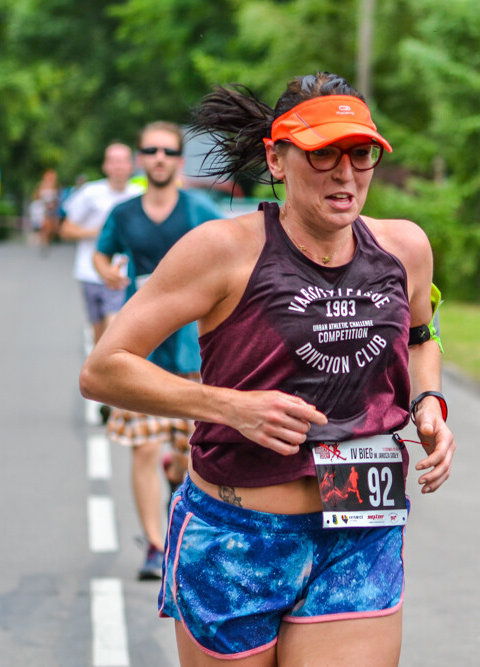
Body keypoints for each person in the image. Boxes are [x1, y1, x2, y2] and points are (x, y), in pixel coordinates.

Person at [80, 72, 455, 665]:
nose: (346, 172)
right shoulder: (221, 250)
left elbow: (420, 336)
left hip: (360, 533)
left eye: (361, 153)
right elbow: (104, 369)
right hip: (238, 537)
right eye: (323, 153)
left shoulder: (404, 247)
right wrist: (230, 406)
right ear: (277, 159)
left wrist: (428, 401)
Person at [92, 122, 224, 581]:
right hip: (142, 349)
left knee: (190, 456)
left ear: (179, 161)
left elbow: (236, 251)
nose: (159, 158)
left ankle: (176, 479)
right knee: (145, 450)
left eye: (167, 151)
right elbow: (102, 252)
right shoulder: (125, 213)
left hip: (192, 349)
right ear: (140, 159)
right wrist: (107, 271)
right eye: (151, 150)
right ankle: (155, 546)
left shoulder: (200, 210)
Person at [59, 146, 142, 347]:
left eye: (123, 161)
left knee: (113, 331)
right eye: (113, 161)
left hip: (124, 275)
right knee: (99, 335)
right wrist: (101, 233)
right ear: (105, 166)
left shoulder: (140, 195)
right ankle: (101, 363)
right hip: (90, 273)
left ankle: (110, 363)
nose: (118, 166)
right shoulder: (90, 193)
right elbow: (65, 229)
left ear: (131, 165)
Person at [30, 169, 62, 251]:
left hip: (53, 208)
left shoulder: (56, 186)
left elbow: (59, 197)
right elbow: (36, 196)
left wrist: (53, 204)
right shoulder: (41, 185)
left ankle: (49, 239)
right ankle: (43, 241)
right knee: (44, 225)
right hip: (43, 208)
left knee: (54, 227)